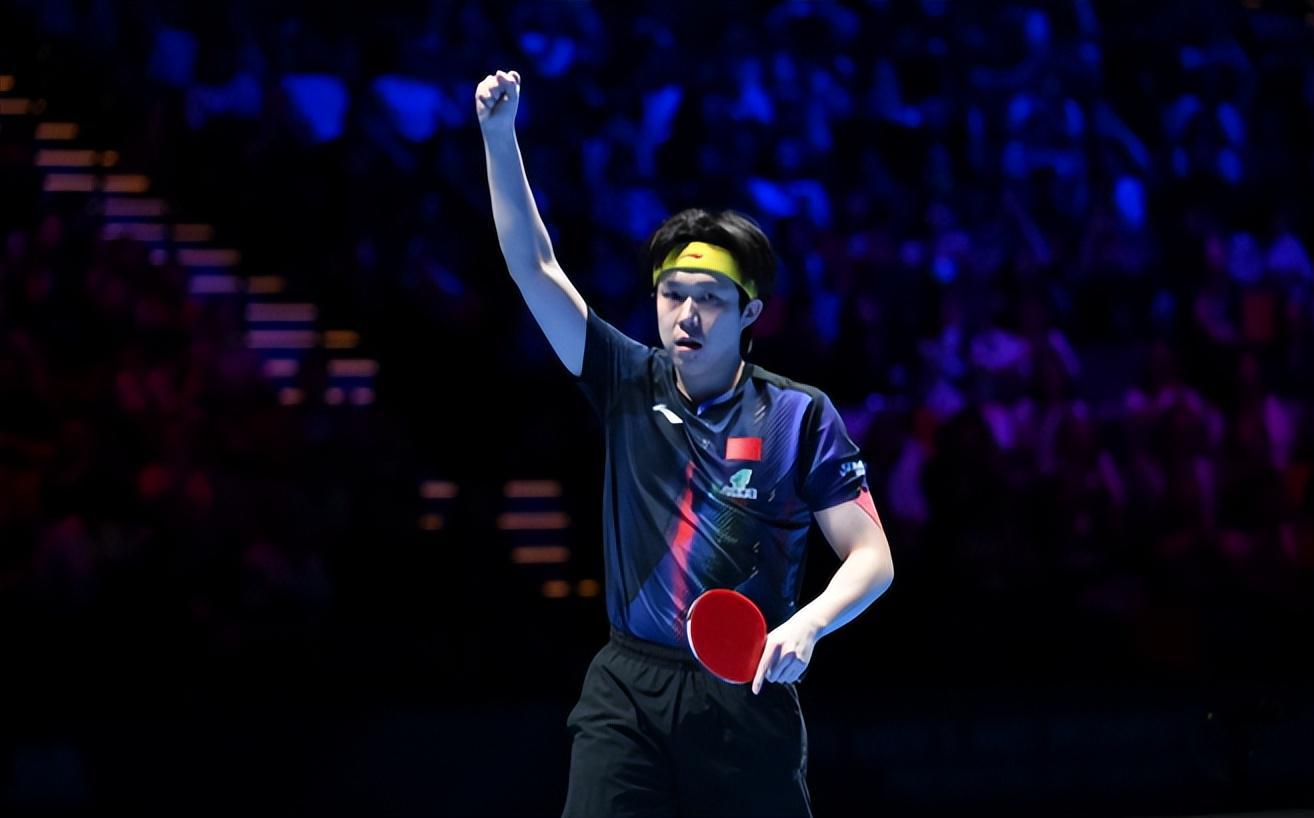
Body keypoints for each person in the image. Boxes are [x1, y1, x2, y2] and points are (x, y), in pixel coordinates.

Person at [476, 69, 894, 817]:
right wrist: (499, 135)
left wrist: (809, 623)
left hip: (746, 693)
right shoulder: (624, 379)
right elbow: (533, 266)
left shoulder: (798, 415)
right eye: (673, 294)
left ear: (749, 312)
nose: (687, 315)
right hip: (628, 690)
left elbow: (872, 557)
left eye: (710, 299)